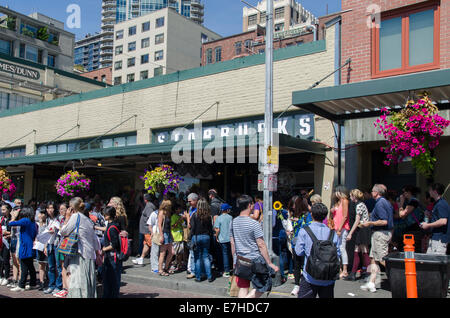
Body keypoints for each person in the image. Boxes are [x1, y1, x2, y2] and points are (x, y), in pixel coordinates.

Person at [230, 195, 279, 298]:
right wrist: (269, 263)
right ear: (249, 205)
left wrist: (234, 260)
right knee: (263, 286)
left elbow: (232, 243)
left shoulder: (233, 222)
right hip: (255, 260)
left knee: (243, 287)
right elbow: (261, 244)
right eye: (252, 204)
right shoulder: (254, 223)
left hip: (241, 260)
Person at [295, 203, 340, 298]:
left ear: (311, 215)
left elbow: (298, 251)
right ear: (325, 216)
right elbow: (338, 253)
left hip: (310, 276)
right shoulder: (332, 233)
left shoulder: (305, 231)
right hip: (328, 276)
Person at [60, 197, 102, 298]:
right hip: (89, 254)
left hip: (79, 254)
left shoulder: (75, 217)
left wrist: (66, 218)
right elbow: (94, 239)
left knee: (77, 280)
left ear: (72, 208)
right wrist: (97, 254)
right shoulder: (88, 220)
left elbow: (63, 232)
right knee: (87, 281)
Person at [360, 184, 394, 293]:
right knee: (374, 258)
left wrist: (369, 222)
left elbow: (384, 221)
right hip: (382, 233)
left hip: (380, 233)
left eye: (372, 191)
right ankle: (371, 282)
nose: (371, 193)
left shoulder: (380, 203)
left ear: (376, 193)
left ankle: (401, 276)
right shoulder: (385, 202)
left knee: (382, 258)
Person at [9, 206, 37, 292]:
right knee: (30, 266)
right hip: (30, 245)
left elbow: (11, 223)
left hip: (25, 245)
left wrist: (13, 216)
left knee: (24, 266)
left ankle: (21, 285)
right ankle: (33, 283)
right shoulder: (33, 222)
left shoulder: (25, 220)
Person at [345, 189, 371, 281]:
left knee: (364, 250)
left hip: (363, 229)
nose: (350, 197)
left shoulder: (359, 205)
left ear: (354, 196)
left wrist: (350, 233)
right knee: (357, 249)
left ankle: (367, 272)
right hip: (361, 229)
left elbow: (357, 220)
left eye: (351, 195)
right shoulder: (360, 204)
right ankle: (353, 273)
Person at [287, 195, 310, 296]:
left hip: (305, 243)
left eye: (294, 205)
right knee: (296, 265)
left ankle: (305, 284)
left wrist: (298, 221)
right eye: (292, 206)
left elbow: (309, 226)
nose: (293, 207)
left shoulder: (306, 215)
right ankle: (296, 285)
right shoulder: (292, 214)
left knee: (305, 264)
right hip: (295, 242)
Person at [189, 198, 214, 282]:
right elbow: (210, 229)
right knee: (206, 257)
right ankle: (209, 276)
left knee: (197, 258)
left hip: (196, 236)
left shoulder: (194, 215)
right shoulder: (208, 216)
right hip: (206, 236)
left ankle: (198, 277)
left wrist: (189, 237)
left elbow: (192, 228)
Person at [421, 183, 449, 255]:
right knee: (430, 262)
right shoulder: (437, 203)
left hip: (439, 239)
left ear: (435, 191)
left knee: (436, 263)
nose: (429, 191)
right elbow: (438, 218)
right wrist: (430, 215)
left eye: (430, 190)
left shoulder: (441, 204)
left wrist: (428, 225)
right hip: (435, 237)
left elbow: (443, 221)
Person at [101, 206, 122, 298]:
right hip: (111, 256)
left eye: (105, 214)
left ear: (108, 215)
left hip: (112, 256)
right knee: (110, 278)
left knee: (111, 279)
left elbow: (114, 244)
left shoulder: (112, 227)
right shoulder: (113, 225)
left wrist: (103, 249)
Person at [43, 202, 64, 295]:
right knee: (50, 266)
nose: (50, 210)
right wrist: (45, 246)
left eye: (51, 208)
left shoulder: (59, 218)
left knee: (58, 266)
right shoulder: (47, 219)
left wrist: (57, 229)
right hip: (49, 244)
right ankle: (51, 285)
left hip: (57, 244)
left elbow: (62, 229)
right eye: (48, 208)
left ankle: (58, 286)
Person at [396, 185, 424, 252]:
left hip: (415, 230)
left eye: (404, 192)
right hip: (410, 229)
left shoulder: (414, 201)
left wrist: (400, 205)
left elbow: (402, 215)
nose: (402, 195)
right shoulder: (409, 202)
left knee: (411, 250)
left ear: (408, 192)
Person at [332, 186, 350, 279]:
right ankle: (338, 269)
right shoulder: (337, 202)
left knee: (342, 248)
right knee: (337, 248)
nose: (335, 193)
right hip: (336, 227)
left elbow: (345, 216)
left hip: (342, 228)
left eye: (337, 191)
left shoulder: (344, 201)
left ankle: (345, 269)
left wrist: (339, 228)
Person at [133, 193, 156, 266]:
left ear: (145, 199)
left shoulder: (149, 207)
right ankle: (141, 258)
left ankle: (156, 261)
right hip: (146, 230)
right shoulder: (148, 205)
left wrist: (151, 230)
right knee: (146, 244)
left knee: (151, 244)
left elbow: (151, 218)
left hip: (148, 229)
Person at [214, 203, 233, 278]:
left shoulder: (219, 218)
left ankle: (226, 271)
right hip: (230, 238)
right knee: (229, 254)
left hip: (222, 239)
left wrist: (216, 237)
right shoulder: (231, 217)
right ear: (227, 210)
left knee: (224, 254)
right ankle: (229, 268)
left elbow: (217, 229)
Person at [157, 200, 174, 276]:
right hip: (164, 233)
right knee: (162, 253)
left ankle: (166, 267)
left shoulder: (168, 213)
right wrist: (161, 235)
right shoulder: (161, 213)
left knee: (172, 252)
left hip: (168, 233)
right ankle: (160, 269)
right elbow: (159, 225)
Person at [7, 206, 21, 289]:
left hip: (18, 240)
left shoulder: (19, 221)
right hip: (13, 239)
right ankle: (14, 279)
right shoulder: (13, 219)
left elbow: (12, 224)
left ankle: (20, 280)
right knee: (14, 261)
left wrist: (14, 217)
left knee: (18, 261)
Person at [185, 193, 198, 279]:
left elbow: (190, 225)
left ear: (195, 200)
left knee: (193, 252)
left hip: (195, 233)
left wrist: (187, 217)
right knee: (191, 252)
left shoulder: (198, 210)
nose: (189, 203)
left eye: (190, 201)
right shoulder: (191, 208)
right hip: (191, 233)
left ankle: (193, 270)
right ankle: (190, 268)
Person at [35, 209, 48, 291]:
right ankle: (41, 282)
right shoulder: (37, 224)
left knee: (48, 265)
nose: (40, 215)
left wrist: (46, 246)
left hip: (46, 246)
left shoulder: (48, 223)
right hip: (39, 246)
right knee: (40, 264)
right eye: (40, 213)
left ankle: (49, 281)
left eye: (42, 213)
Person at [171, 203, 185, 272]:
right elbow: (173, 226)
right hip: (175, 237)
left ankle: (179, 265)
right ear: (176, 210)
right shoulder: (173, 216)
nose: (180, 210)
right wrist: (180, 220)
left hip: (180, 237)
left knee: (180, 253)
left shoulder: (179, 216)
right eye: (179, 209)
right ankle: (172, 264)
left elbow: (183, 224)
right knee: (174, 253)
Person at [0, 203, 12, 286]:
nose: (2, 211)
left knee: (6, 260)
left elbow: (14, 232)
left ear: (9, 210)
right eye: (1, 209)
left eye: (4, 209)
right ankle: (1, 275)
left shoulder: (11, 219)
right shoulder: (1, 219)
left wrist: (6, 233)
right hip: (1, 241)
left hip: (8, 242)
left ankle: (6, 277)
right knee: (0, 260)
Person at [147, 206, 160, 273]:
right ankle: (154, 267)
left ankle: (160, 265)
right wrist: (152, 232)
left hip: (163, 234)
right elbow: (150, 224)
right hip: (156, 233)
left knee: (161, 251)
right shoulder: (154, 213)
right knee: (155, 251)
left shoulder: (167, 213)